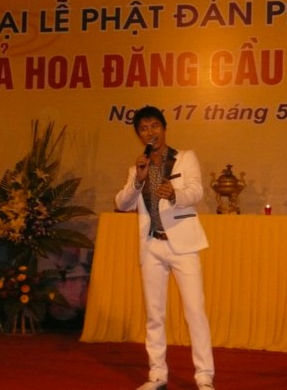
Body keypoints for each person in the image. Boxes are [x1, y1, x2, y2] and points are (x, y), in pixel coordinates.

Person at [115, 106, 215, 390]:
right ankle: (157, 375)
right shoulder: (137, 168)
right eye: (144, 128)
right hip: (151, 246)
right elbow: (122, 203)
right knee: (154, 314)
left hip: (184, 245)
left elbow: (197, 191)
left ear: (164, 128)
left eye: (154, 126)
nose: (150, 132)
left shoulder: (185, 158)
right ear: (139, 135)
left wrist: (176, 194)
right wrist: (138, 180)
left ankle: (204, 377)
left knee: (195, 311)